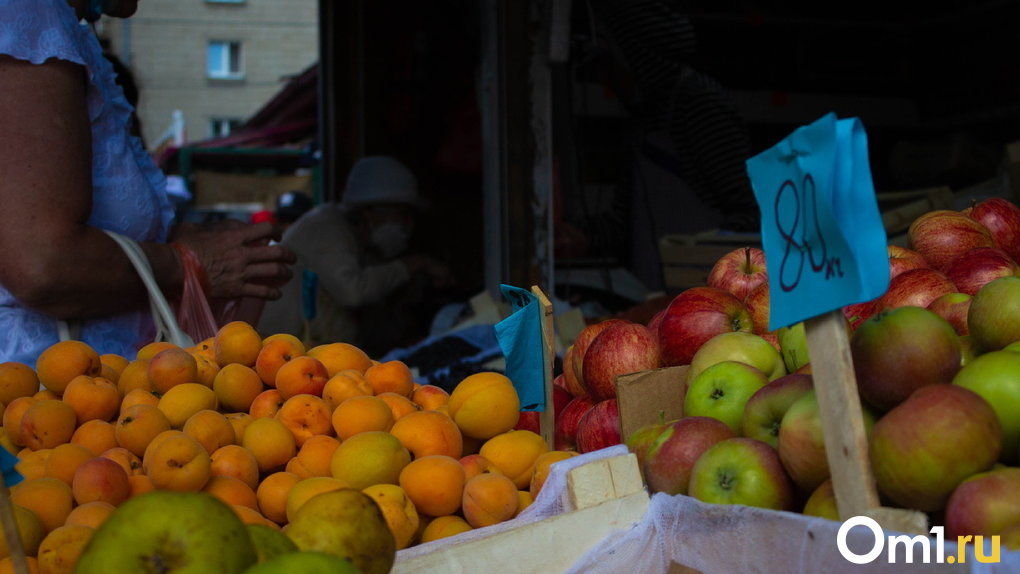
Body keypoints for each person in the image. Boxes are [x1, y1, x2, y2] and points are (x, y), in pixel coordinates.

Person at [0, 0, 295, 365]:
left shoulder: (61, 27)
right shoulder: (26, 14)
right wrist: (186, 263)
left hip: (111, 397)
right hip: (46, 397)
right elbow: (42, 264)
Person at [258, 156, 453, 357]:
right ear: (369, 211)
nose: (406, 226)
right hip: (281, 352)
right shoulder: (327, 227)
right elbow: (353, 291)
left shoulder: (360, 243)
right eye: (401, 214)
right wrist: (412, 264)